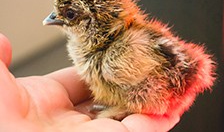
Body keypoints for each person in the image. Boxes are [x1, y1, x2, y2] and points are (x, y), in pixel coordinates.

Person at [0, 33, 179, 132]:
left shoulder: (115, 57)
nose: (52, 17)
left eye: (70, 15)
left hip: (162, 88)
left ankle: (134, 107)